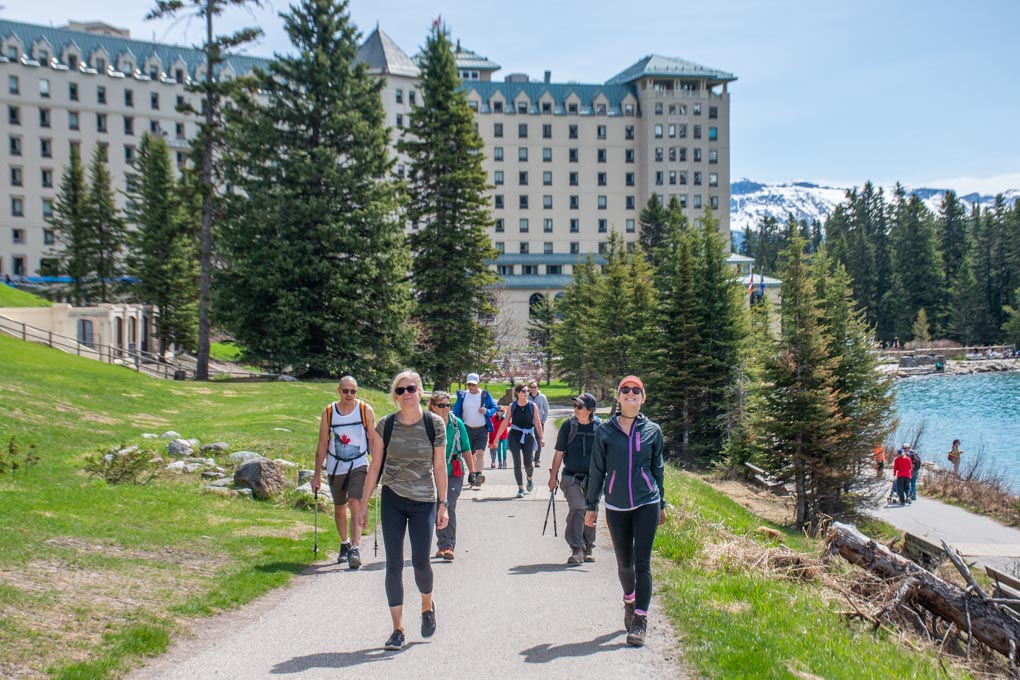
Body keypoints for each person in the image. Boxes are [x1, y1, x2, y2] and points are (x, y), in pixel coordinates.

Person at [358, 370, 448, 651]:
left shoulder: (434, 424)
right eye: (400, 390)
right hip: (393, 498)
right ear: (395, 396)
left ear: (420, 391)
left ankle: (426, 604)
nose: (406, 393)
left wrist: (443, 505)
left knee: (421, 562)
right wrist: (363, 504)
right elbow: (375, 466)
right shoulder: (386, 425)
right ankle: (397, 629)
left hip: (424, 501)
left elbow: (440, 466)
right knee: (393, 564)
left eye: (411, 388)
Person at [585, 376, 666, 648]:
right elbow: (597, 470)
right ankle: (629, 600)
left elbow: (658, 469)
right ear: (618, 397)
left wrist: (662, 503)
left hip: (647, 502)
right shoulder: (604, 432)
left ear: (643, 398)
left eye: (636, 390)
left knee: (642, 564)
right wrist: (591, 506)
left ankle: (640, 621)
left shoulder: (653, 430)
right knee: (625, 565)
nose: (630, 393)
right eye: (625, 390)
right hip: (617, 506)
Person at [312, 375, 376, 570]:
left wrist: (377, 465)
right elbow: (323, 443)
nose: (349, 394)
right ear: (339, 391)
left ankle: (355, 548)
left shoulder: (365, 410)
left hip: (358, 463)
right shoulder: (329, 412)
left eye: (353, 391)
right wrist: (316, 475)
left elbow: (372, 439)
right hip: (336, 465)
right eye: (345, 390)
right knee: (339, 506)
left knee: (355, 502)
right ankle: (344, 543)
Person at [549, 392, 601, 565]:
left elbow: (608, 455)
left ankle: (588, 547)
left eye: (580, 406)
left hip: (593, 478)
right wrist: (552, 476)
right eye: (575, 406)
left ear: (590, 410)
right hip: (571, 476)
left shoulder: (600, 428)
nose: (576, 409)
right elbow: (559, 453)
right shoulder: (568, 426)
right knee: (578, 507)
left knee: (591, 510)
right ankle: (576, 548)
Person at [429, 391, 474, 561]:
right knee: (436, 506)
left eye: (448, 405)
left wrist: (473, 471)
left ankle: (448, 545)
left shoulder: (456, 424)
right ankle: (441, 544)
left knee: (449, 505)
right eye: (441, 405)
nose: (446, 409)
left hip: (453, 472)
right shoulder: (427, 424)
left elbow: (466, 447)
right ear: (433, 407)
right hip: (432, 473)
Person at [496, 383, 545, 498]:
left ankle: (529, 478)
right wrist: (497, 437)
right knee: (517, 462)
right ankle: (520, 488)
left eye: (527, 391)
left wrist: (541, 438)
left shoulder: (533, 406)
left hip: (528, 435)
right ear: (517, 393)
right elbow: (505, 423)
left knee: (528, 463)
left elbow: (537, 423)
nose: (526, 393)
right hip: (514, 435)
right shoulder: (512, 406)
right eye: (524, 391)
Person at [452, 373, 498, 487]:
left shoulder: (484, 395)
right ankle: (472, 473)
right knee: (470, 454)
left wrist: (486, 411)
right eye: (469, 385)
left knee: (480, 453)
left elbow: (494, 408)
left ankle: (478, 475)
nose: (471, 387)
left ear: (478, 384)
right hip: (467, 429)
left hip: (482, 429)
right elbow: (456, 410)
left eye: (473, 384)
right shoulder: (463, 396)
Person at [527, 381, 550, 466]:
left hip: (539, 423)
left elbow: (546, 410)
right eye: (532, 387)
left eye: (535, 387)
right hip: (529, 423)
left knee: (539, 440)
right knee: (528, 441)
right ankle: (530, 458)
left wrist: (543, 420)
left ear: (538, 388)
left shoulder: (542, 397)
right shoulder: (527, 397)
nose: (533, 389)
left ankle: (537, 460)